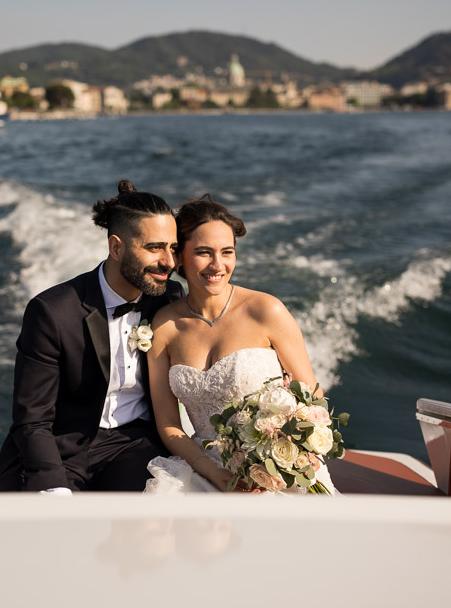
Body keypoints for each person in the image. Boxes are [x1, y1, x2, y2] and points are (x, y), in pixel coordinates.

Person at [0, 180, 184, 493]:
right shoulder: (51, 312)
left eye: (173, 248)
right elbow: (32, 419)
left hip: (133, 444)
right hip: (60, 446)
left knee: (154, 519)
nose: (169, 262)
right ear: (117, 247)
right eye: (154, 248)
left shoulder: (168, 297)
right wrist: (52, 486)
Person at [143, 195, 337, 494]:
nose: (217, 265)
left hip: (276, 469)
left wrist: (281, 455)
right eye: (204, 253)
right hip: (202, 468)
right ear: (179, 256)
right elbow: (169, 424)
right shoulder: (165, 326)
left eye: (227, 252)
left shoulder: (265, 310)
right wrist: (211, 472)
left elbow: (312, 395)